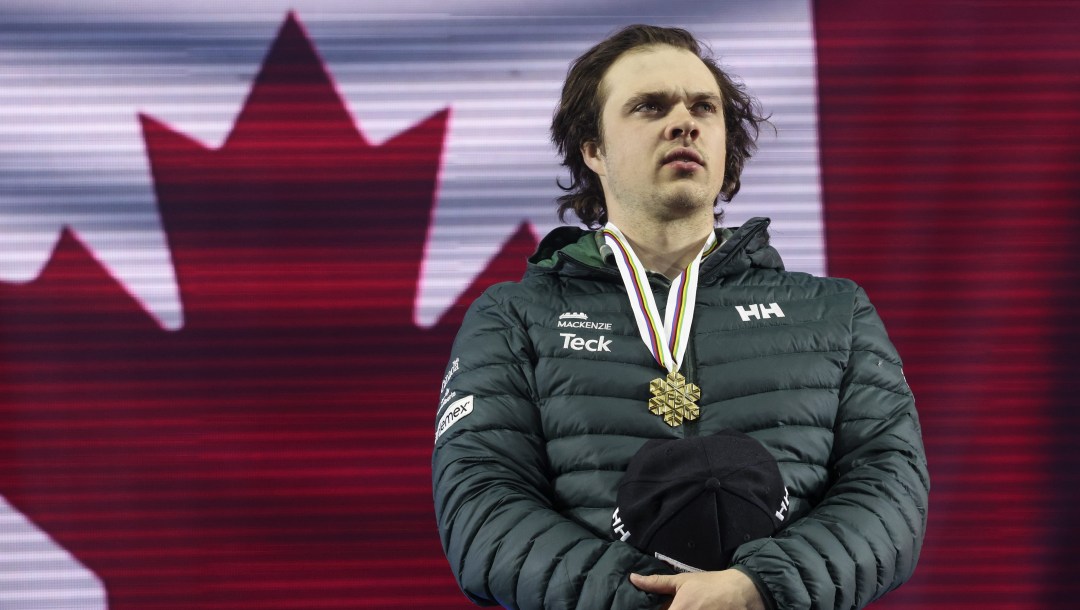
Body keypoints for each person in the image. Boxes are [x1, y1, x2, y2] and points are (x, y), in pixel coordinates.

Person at [432, 24, 929, 610]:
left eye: (704, 107)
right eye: (649, 107)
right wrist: (656, 600)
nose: (684, 122)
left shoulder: (837, 312)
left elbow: (890, 492)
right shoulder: (513, 317)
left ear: (725, 144)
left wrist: (756, 589)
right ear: (593, 149)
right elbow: (481, 506)